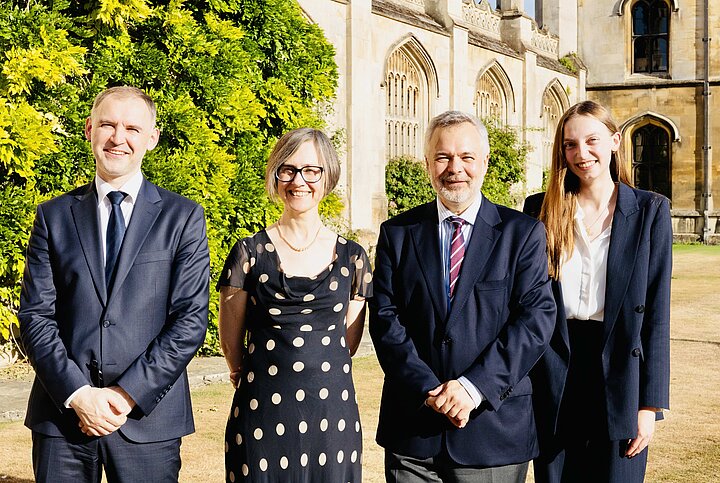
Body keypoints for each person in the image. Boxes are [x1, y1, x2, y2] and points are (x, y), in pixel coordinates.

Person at [18, 86, 210, 482]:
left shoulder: (183, 218)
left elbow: (189, 319)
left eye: (131, 128)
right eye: (107, 124)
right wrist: (79, 395)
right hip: (63, 420)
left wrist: (127, 395)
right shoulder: (53, 217)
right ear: (90, 129)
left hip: (148, 420)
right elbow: (36, 316)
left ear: (151, 139)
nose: (118, 138)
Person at [369, 110, 556, 483]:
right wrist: (428, 389)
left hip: (492, 431)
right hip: (413, 431)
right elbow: (386, 320)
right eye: (443, 157)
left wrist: (472, 389)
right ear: (427, 164)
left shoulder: (522, 234)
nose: (455, 167)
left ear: (484, 162)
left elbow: (535, 321)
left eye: (467, 157)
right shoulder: (398, 233)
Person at [523, 100, 671, 483]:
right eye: (570, 145)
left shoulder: (651, 211)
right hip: (554, 366)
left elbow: (656, 312)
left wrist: (649, 405)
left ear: (615, 141)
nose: (581, 153)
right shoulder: (539, 210)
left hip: (620, 371)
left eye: (592, 140)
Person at [217, 127, 372, 482]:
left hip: (332, 412)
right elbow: (231, 342)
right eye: (287, 170)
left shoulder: (353, 258)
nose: (298, 180)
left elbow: (346, 343)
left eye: (311, 170)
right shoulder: (249, 252)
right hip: (262, 408)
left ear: (327, 175)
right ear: (275, 175)